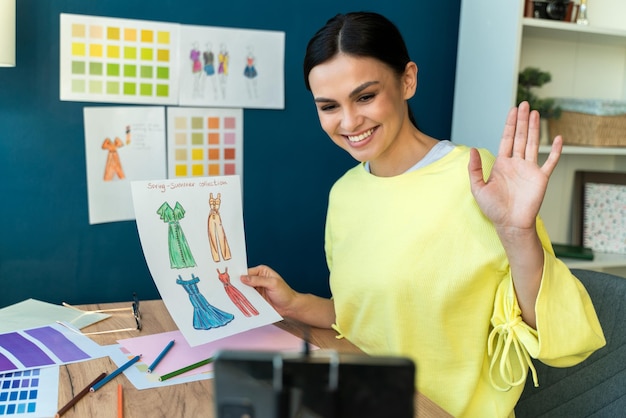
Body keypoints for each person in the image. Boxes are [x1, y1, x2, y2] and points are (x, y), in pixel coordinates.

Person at [240, 11, 605, 417]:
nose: (348, 121)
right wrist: (293, 302)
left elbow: (562, 338)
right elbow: (365, 316)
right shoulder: (344, 193)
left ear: (407, 80)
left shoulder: (480, 180)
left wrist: (517, 233)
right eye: (328, 106)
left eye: (365, 96)